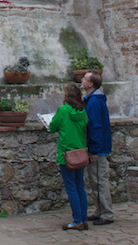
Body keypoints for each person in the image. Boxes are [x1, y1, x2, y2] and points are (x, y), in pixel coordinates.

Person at [48, 82, 89, 231]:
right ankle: (83, 219)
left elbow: (52, 127)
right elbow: (86, 126)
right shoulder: (83, 112)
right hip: (80, 152)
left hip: (67, 155)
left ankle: (77, 220)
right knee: (80, 187)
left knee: (71, 189)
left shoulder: (63, 110)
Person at [82, 71, 114, 225]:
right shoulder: (92, 100)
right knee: (95, 181)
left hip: (98, 148)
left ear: (90, 84)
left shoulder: (94, 102)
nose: (82, 80)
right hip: (97, 146)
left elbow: (95, 126)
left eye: (85, 79)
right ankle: (99, 211)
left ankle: (107, 214)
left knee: (99, 181)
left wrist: (94, 150)